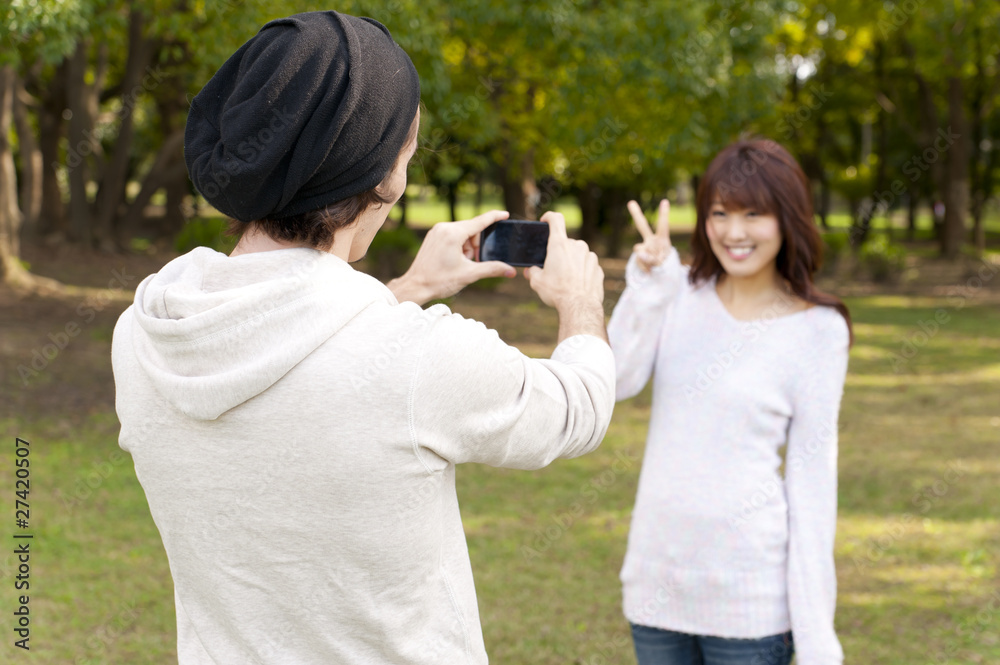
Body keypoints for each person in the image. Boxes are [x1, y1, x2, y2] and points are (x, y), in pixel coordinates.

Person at [110, 11, 614, 665]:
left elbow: (301, 357)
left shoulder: (146, 334)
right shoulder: (417, 358)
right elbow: (575, 408)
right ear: (382, 177)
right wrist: (580, 304)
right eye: (406, 150)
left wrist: (410, 285)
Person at [607, 139, 854, 665]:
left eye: (753, 214)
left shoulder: (819, 332)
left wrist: (817, 639)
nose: (733, 232)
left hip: (752, 606)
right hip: (657, 587)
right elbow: (617, 379)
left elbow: (812, 485)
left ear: (787, 219)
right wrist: (650, 286)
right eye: (719, 213)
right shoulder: (676, 295)